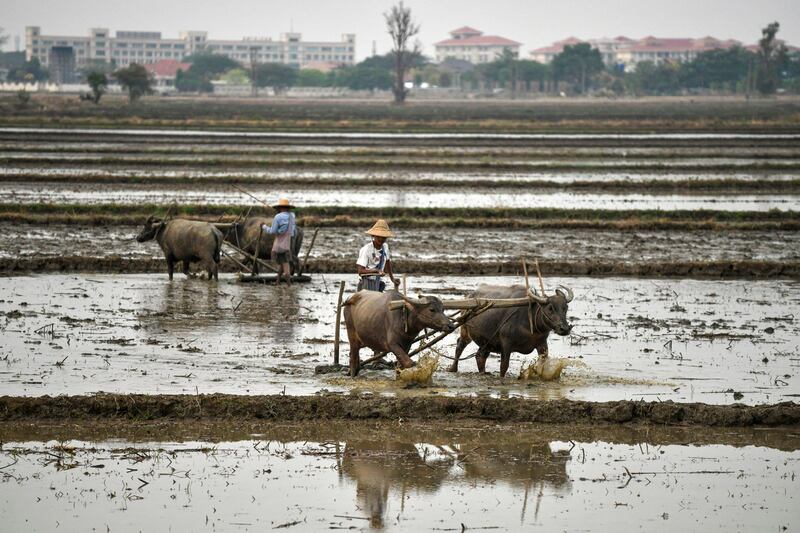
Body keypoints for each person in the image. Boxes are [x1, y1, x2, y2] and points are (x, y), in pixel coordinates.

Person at [357, 219, 401, 292]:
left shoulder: (385, 247)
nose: (381, 239)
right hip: (367, 283)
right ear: (373, 236)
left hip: (379, 282)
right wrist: (376, 270)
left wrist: (392, 278)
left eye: (383, 237)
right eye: (378, 236)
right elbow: (360, 271)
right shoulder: (366, 249)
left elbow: (387, 262)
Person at [262, 198, 297, 285]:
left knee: (285, 263)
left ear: (280, 208)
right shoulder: (292, 216)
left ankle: (289, 285)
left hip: (280, 243)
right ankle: (277, 281)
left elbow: (272, 231)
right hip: (288, 242)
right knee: (283, 261)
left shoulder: (278, 217)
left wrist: (264, 227)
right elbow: (292, 232)